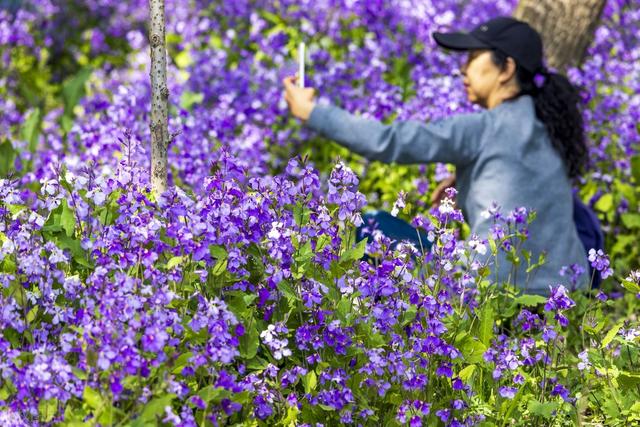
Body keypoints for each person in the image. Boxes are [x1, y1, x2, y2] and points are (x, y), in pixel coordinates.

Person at [282, 16, 603, 295]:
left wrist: (312, 112)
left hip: (491, 295)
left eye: (473, 57)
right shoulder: (552, 130)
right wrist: (466, 179)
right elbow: (523, 184)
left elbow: (388, 141)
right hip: (564, 298)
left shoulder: (483, 128)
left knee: (369, 226)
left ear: (506, 69)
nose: (463, 69)